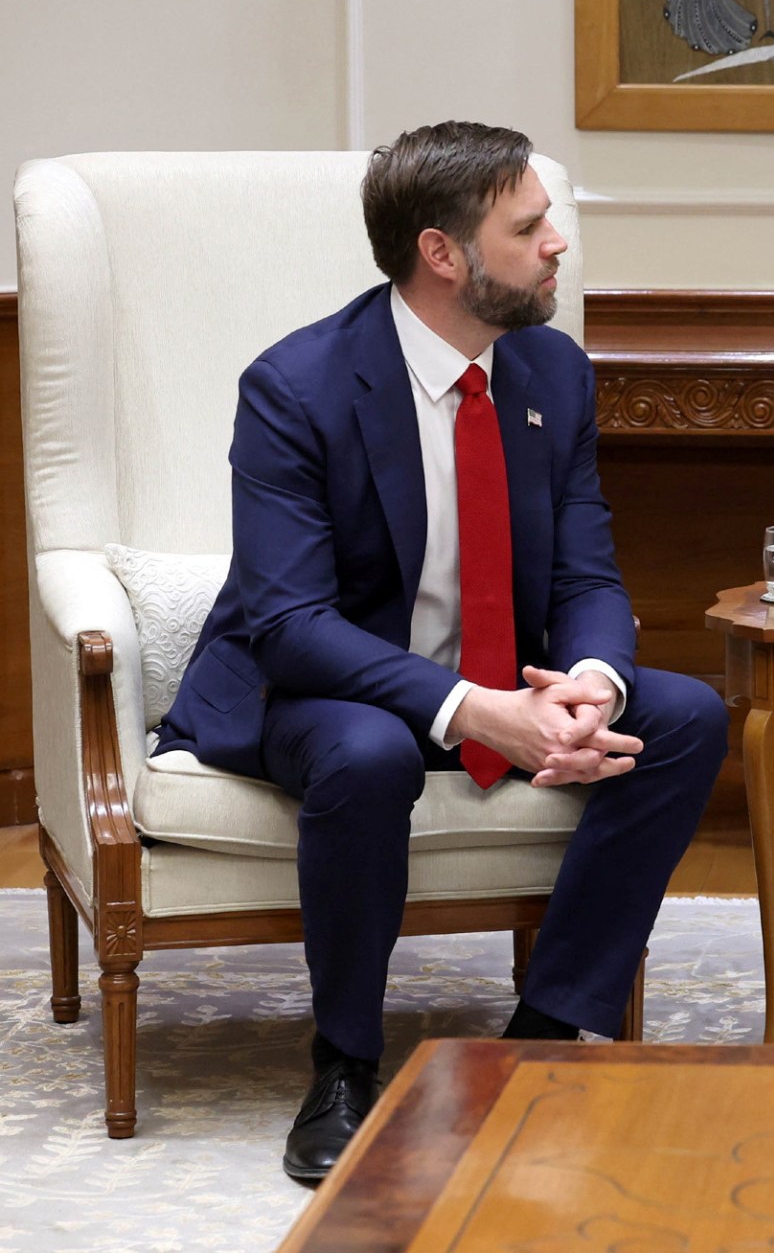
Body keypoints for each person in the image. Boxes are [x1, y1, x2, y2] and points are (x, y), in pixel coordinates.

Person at [155, 121, 727, 1183]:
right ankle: (343, 1066)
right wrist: (477, 709)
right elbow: (290, 625)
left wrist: (591, 685)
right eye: (529, 226)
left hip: (502, 673)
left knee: (686, 716)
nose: (557, 243)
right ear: (443, 255)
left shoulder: (552, 371)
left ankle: (542, 1035)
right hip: (321, 687)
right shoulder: (297, 386)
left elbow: (586, 574)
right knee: (370, 753)